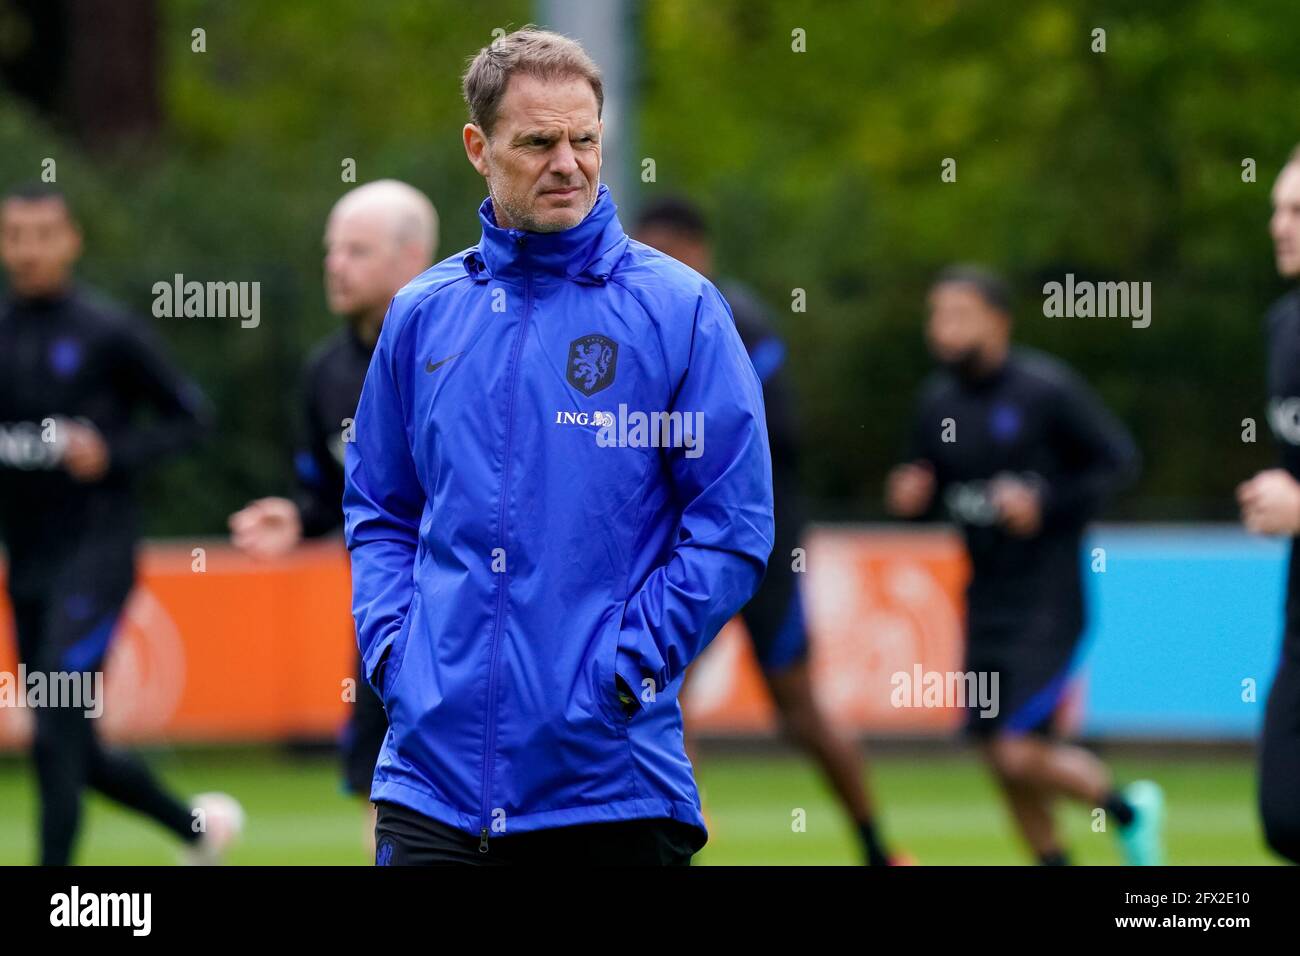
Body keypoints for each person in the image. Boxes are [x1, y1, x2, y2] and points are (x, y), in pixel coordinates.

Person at [345, 28, 773, 866]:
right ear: (479, 148)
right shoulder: (422, 314)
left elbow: (731, 524)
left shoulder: (679, 310)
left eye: (584, 140)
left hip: (605, 782)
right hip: (431, 783)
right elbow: (380, 509)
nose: (568, 163)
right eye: (538, 142)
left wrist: (623, 670)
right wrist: (399, 654)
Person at [634, 196, 906, 865]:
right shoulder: (644, 318)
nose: (649, 264)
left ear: (696, 251)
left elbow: (776, 432)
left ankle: (876, 847)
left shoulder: (738, 321)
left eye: (661, 250)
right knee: (657, 692)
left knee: (799, 711)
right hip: (683, 544)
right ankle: (674, 841)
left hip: (762, 545)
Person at [884, 265, 1163, 865]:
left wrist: (1046, 501)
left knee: (1016, 749)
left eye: (958, 315)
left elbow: (1119, 463)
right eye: (936, 316)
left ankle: (1127, 809)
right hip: (985, 599)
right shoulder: (936, 404)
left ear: (999, 321)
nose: (943, 329)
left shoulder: (1046, 391)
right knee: (994, 753)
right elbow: (930, 489)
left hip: (1048, 597)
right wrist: (914, 497)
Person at [0, 183, 241, 865]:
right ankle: (197, 831)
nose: (29, 250)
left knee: (56, 729)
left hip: (97, 556)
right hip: (30, 563)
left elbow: (192, 419)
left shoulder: (107, 333)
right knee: (67, 736)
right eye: (15, 235)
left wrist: (112, 453)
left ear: (71, 240)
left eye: (43, 234)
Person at [228, 180, 437, 850]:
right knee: (385, 782)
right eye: (331, 250)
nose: (335, 264)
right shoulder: (325, 373)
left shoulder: (464, 348)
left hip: (481, 612)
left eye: (356, 250)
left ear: (412, 258)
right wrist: (299, 516)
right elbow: (332, 494)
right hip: (389, 613)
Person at [1237, 146, 1300, 863]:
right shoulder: (1284, 326)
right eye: (1278, 208)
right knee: (1285, 815)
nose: (1279, 225)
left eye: (1297, 212)